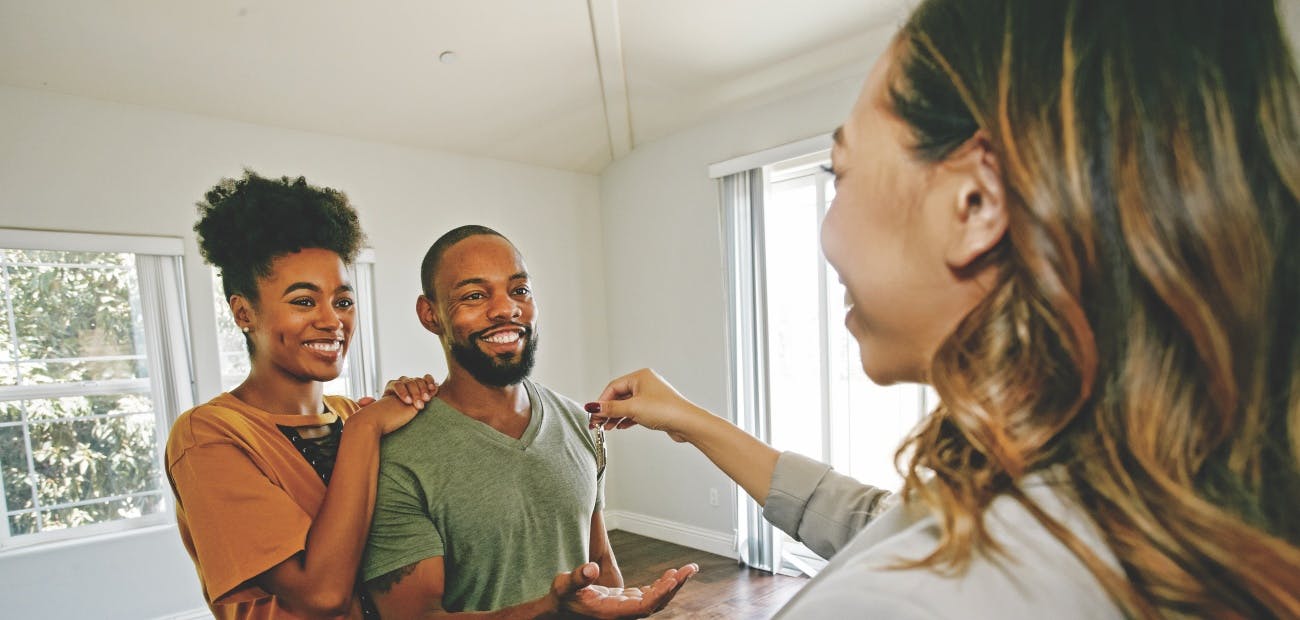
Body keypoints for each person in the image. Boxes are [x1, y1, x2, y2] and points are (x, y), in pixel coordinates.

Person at [588, 0, 1300, 617]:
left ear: (976, 203)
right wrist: (691, 418)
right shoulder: (1162, 504)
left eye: (840, 173)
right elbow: (883, 524)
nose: (829, 230)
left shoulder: (907, 603)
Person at [361, 225, 696, 619]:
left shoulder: (580, 423)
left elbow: (601, 562)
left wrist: (621, 606)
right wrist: (549, 609)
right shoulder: (400, 451)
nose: (506, 309)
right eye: (474, 295)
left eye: (519, 290)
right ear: (430, 313)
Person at [166, 171, 438, 619]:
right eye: (304, 301)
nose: (333, 321)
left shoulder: (353, 412)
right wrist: (368, 431)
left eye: (343, 301)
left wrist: (412, 414)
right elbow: (320, 594)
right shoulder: (209, 435)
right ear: (243, 312)